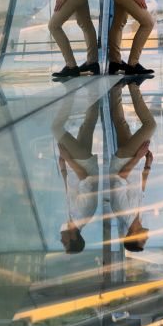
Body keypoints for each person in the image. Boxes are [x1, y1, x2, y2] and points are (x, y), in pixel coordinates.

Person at [107, 79, 156, 252]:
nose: (147, 238)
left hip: (124, 161)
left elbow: (120, 177)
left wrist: (138, 156)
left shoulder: (123, 212)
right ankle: (115, 87)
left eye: (143, 241)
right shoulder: (138, 218)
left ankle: (134, 85)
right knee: (121, 123)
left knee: (150, 125)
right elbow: (140, 190)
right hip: (132, 163)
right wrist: (147, 167)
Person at [54, 95, 101, 254]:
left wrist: (63, 169)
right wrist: (67, 157)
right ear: (73, 238)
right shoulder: (82, 213)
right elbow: (85, 177)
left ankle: (95, 90)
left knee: (87, 126)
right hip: (82, 163)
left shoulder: (74, 218)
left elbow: (72, 189)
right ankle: (70, 92)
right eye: (64, 243)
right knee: (56, 128)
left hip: (78, 163)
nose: (61, 240)